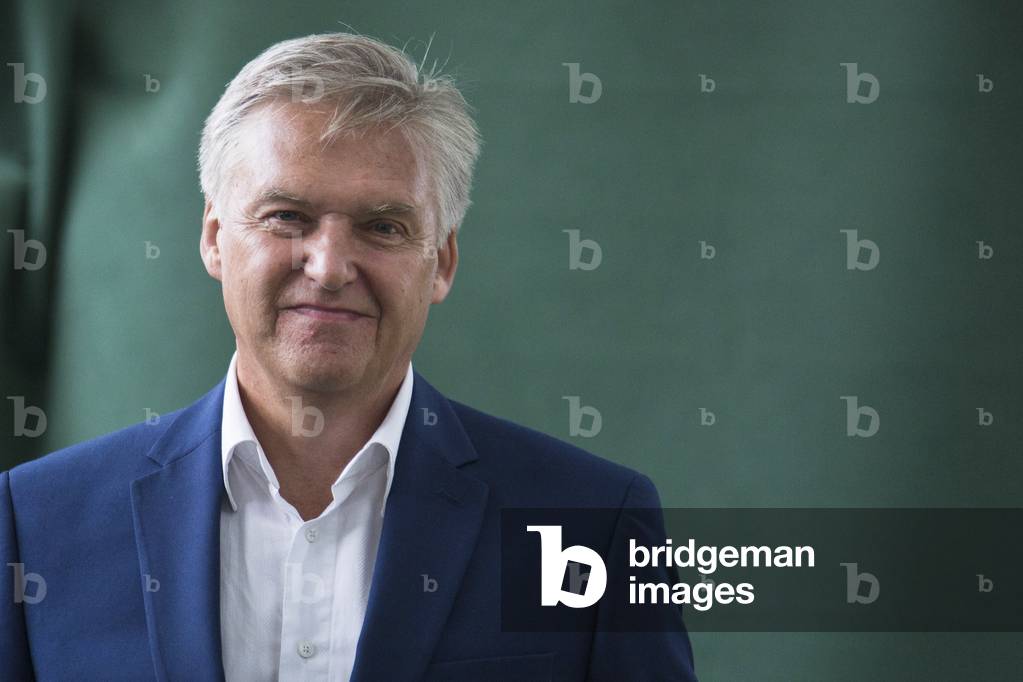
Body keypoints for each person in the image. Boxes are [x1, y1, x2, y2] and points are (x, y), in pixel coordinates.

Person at [0, 32, 697, 681]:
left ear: (442, 262)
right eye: (287, 217)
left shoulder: (589, 522)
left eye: (383, 226)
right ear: (214, 238)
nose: (330, 267)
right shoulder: (36, 522)